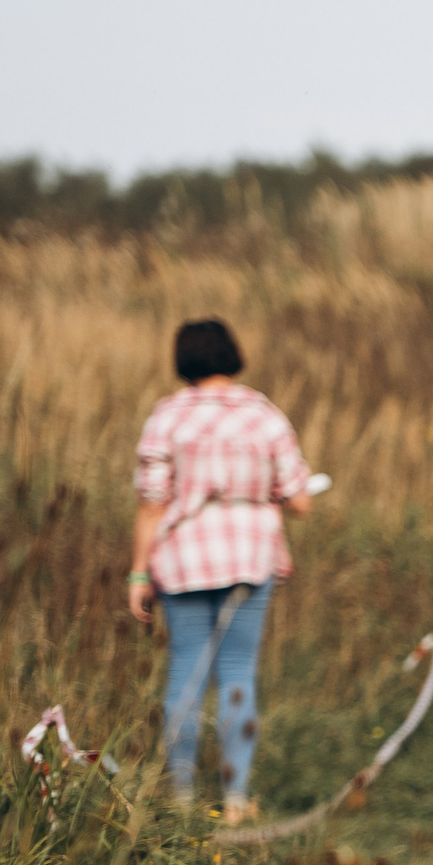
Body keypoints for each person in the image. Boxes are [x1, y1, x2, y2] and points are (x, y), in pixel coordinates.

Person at [128, 318, 314, 824]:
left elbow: (151, 504)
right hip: (249, 558)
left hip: (183, 558)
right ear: (233, 354)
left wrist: (138, 575)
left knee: (185, 675)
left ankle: (182, 799)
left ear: (183, 360)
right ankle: (235, 800)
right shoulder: (264, 415)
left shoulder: (167, 417)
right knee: (237, 676)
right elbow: (299, 501)